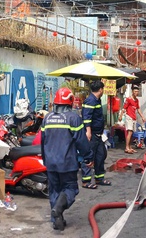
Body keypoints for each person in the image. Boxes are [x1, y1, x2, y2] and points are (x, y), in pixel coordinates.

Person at [41, 87, 93, 231]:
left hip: (51, 163)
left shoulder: (47, 118)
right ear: (69, 101)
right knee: (70, 189)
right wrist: (88, 158)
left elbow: (43, 141)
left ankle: (56, 220)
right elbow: (81, 141)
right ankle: (58, 210)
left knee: (54, 190)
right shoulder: (73, 118)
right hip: (67, 163)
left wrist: (46, 160)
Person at [81, 80, 110, 188]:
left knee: (100, 156)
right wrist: (88, 131)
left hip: (98, 135)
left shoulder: (97, 100)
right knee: (89, 157)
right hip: (92, 134)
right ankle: (86, 181)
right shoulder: (90, 101)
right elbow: (86, 117)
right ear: (100, 89)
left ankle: (99, 178)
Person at [118, 84, 145, 154]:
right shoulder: (128, 99)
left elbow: (138, 109)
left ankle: (130, 147)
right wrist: (120, 116)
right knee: (129, 132)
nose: (137, 93)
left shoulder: (137, 100)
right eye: (135, 91)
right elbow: (124, 108)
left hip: (134, 118)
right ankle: (127, 148)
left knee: (132, 133)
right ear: (132, 92)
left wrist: (142, 117)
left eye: (137, 91)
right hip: (129, 117)